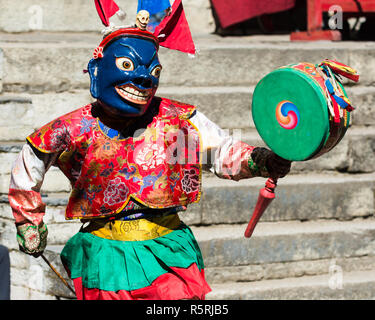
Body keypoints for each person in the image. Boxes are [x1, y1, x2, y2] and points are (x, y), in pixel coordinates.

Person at [8, 19, 291, 300]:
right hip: (106, 255)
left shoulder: (178, 120)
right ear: (96, 70)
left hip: (168, 249)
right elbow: (30, 161)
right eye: (128, 66)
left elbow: (221, 152)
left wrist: (261, 161)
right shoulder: (72, 128)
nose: (144, 79)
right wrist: (28, 221)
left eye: (153, 70)